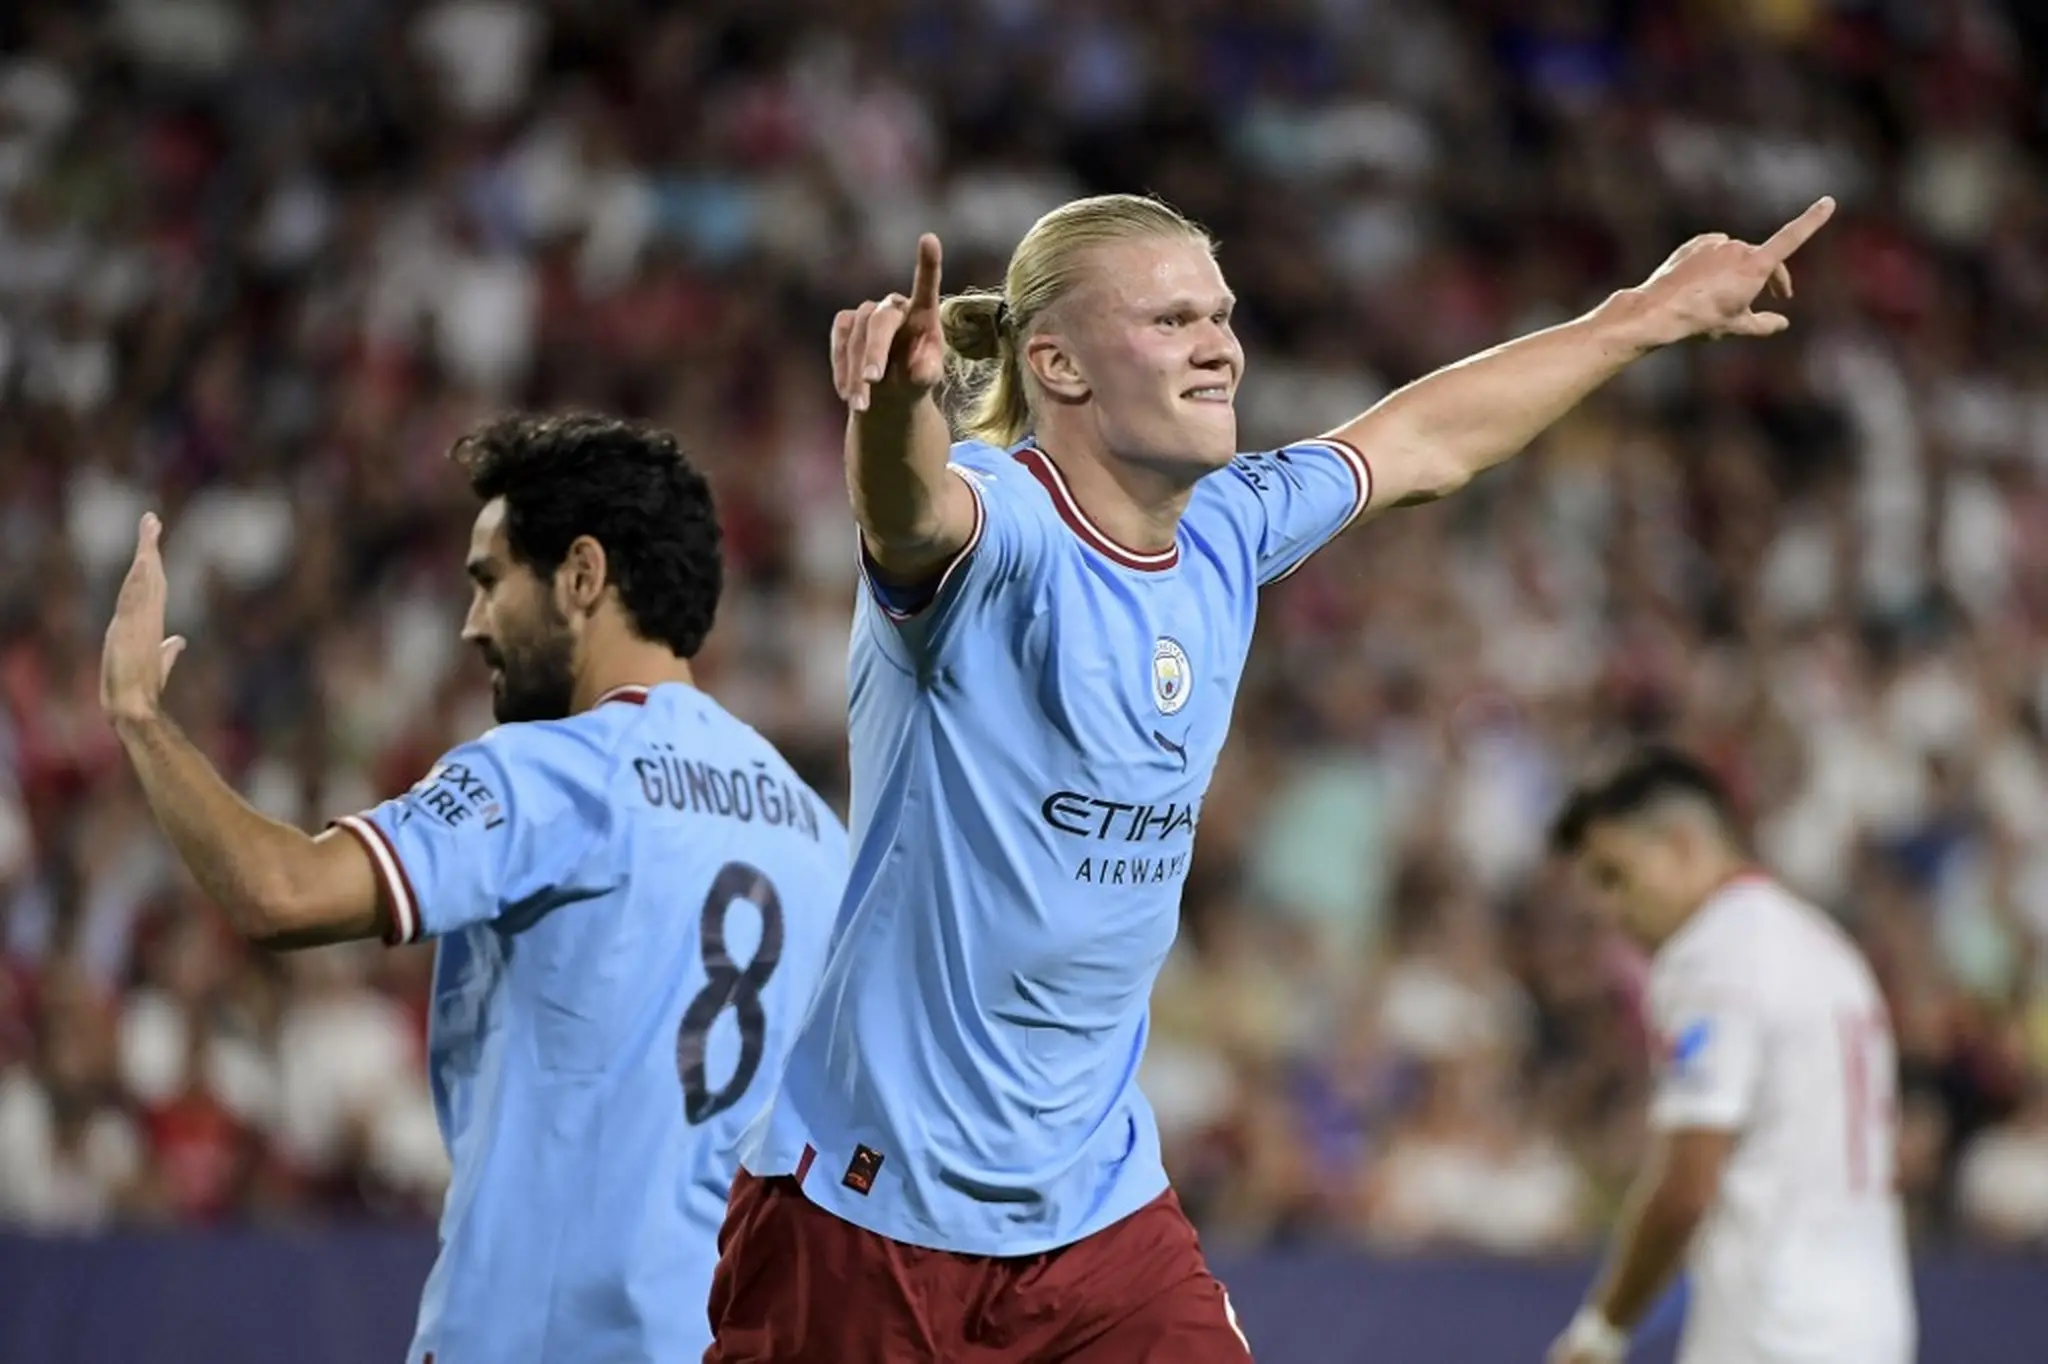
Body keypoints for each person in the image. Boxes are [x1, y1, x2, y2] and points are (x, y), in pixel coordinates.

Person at [709, 191, 1836, 1364]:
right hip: (868, 1212)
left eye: (1220, 315)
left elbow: (1424, 442)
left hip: (1091, 1212)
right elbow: (907, 513)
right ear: (1057, 363)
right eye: (1170, 320)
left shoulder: (1229, 525)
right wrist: (896, 410)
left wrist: (1645, 313)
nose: (1218, 347)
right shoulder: (1011, 527)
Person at [99, 413, 847, 1364]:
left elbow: (280, 892)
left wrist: (141, 719)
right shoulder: (818, 838)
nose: (472, 622)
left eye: (492, 581)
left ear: (581, 576)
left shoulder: (551, 772)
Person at [1545, 748, 1915, 1364]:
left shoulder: (1713, 958)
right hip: (1870, 1324)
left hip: (1774, 1330)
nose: (1611, 910)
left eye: (1616, 876)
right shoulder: (1825, 948)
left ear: (1682, 844)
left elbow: (1688, 1184)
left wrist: (1601, 1329)